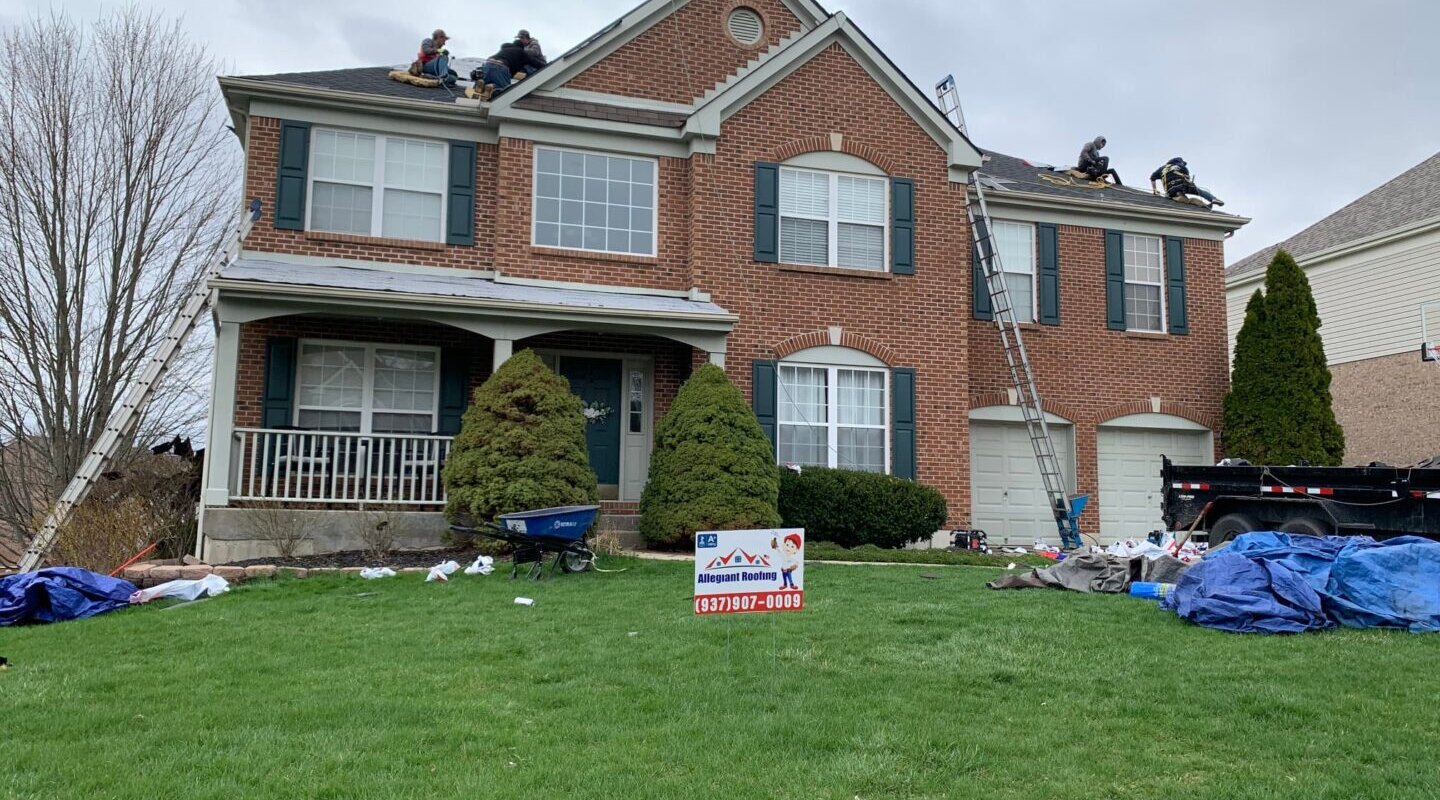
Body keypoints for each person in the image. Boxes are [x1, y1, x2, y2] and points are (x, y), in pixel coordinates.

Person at [476, 39, 546, 97]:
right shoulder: (521, 52)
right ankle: (493, 86)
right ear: (521, 47)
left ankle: (482, 84)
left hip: (488, 64)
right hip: (501, 66)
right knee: (503, 89)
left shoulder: (505, 49)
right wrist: (545, 65)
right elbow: (534, 62)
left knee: (488, 79)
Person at [1150, 157, 1225, 209]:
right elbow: (1187, 177)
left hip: (1170, 190)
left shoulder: (1162, 168)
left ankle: (1179, 197)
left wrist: (1155, 190)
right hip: (1182, 184)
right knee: (1200, 192)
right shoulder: (1180, 166)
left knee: (1184, 199)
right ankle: (1213, 199)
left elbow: (1152, 177)